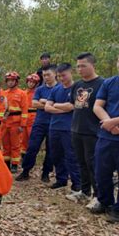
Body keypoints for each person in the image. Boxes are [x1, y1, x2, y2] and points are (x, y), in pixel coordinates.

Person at [92, 49, 119, 223]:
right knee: (101, 171)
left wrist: (113, 121)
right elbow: (97, 106)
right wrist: (109, 122)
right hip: (106, 136)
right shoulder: (109, 83)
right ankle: (105, 201)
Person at [65, 53, 104, 203]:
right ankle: (85, 191)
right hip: (76, 129)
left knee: (93, 163)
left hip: (93, 131)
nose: (80, 69)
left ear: (93, 65)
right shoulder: (77, 85)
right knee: (81, 162)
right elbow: (73, 104)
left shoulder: (102, 84)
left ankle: (98, 195)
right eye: (78, 66)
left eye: (83, 66)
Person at [16, 65, 57, 183]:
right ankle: (25, 171)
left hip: (53, 123)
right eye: (44, 75)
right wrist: (50, 104)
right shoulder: (40, 89)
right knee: (32, 147)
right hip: (39, 122)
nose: (46, 77)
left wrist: (44, 102)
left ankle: (46, 173)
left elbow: (61, 104)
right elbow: (34, 104)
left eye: (48, 75)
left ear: (54, 74)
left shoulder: (59, 88)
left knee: (51, 150)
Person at [44, 63, 80, 191]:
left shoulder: (77, 88)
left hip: (69, 127)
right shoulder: (56, 89)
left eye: (63, 75)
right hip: (54, 127)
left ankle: (77, 182)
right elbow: (47, 107)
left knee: (71, 155)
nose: (61, 78)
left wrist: (56, 105)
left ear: (71, 73)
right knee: (56, 155)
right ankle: (61, 179)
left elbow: (72, 106)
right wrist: (63, 107)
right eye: (59, 76)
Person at [1, 72, 28, 173]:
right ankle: (6, 164)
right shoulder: (3, 93)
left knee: (15, 145)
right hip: (5, 122)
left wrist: (23, 125)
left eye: (12, 80)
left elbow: (25, 111)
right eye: (8, 80)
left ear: (16, 81)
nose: (10, 82)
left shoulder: (22, 93)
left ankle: (15, 165)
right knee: (5, 145)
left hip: (16, 123)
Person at [21, 74, 40, 159]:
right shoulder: (23, 93)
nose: (31, 84)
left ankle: (31, 157)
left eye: (33, 82)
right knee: (22, 139)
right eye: (30, 82)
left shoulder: (38, 93)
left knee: (32, 139)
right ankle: (23, 157)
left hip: (34, 117)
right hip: (24, 117)